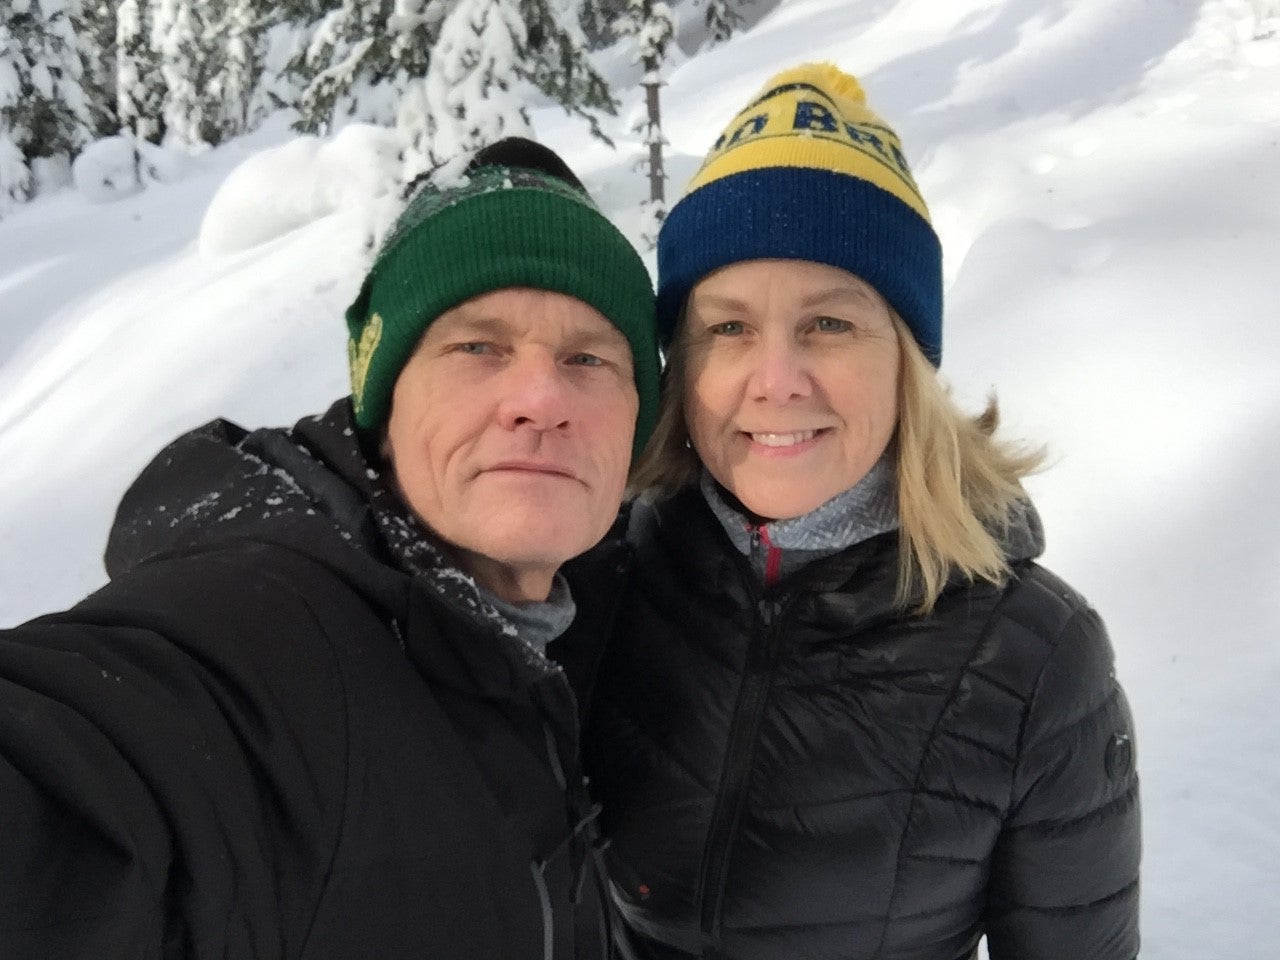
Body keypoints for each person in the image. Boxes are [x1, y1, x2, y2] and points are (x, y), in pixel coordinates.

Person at [0, 137, 661, 959]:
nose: (540, 398)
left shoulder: (569, 625)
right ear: (381, 400)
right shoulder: (261, 633)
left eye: (588, 357)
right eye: (476, 347)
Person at [573, 64, 1141, 960]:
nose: (776, 380)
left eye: (830, 324)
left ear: (907, 360)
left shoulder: (1035, 660)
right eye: (728, 328)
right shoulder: (604, 568)